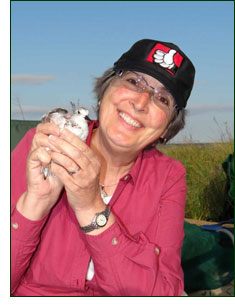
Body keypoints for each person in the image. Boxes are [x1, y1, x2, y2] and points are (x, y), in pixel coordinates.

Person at [11, 39, 195, 296]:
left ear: (167, 129)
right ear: (105, 90)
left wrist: (91, 207)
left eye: (162, 99)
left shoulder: (169, 177)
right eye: (133, 82)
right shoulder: (43, 145)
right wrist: (35, 202)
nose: (141, 102)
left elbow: (163, 293)